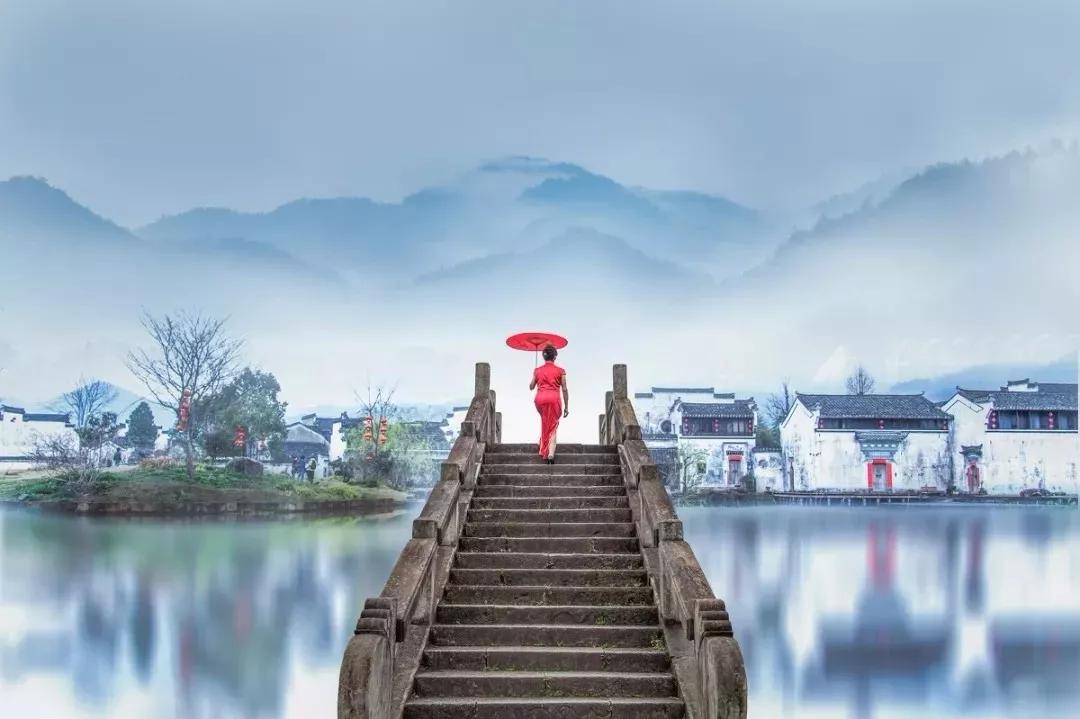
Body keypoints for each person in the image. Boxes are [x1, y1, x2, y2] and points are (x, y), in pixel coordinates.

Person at [529, 344, 569, 463]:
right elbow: (564, 389)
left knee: (546, 420)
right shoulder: (561, 371)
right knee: (553, 425)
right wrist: (566, 407)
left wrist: (535, 373)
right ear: (555, 357)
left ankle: (543, 443)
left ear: (543, 356)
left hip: (540, 400)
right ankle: (550, 453)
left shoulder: (537, 370)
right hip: (553, 399)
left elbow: (531, 386)